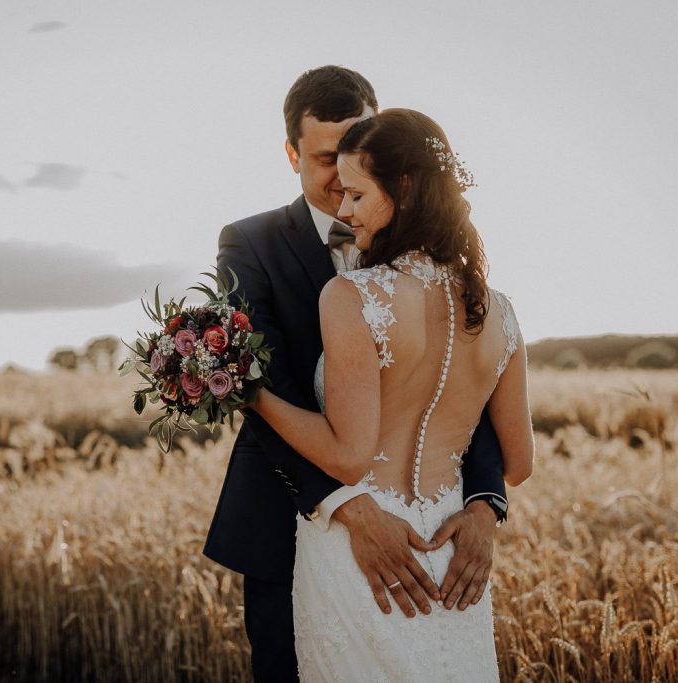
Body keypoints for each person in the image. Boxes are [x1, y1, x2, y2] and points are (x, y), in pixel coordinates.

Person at [202, 66, 514, 681]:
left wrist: (484, 505)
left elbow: (457, 382)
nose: (341, 176)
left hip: (432, 541)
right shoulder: (249, 243)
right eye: (324, 158)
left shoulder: (446, 261)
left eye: (356, 151)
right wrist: (350, 507)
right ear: (291, 153)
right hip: (290, 528)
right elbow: (260, 382)